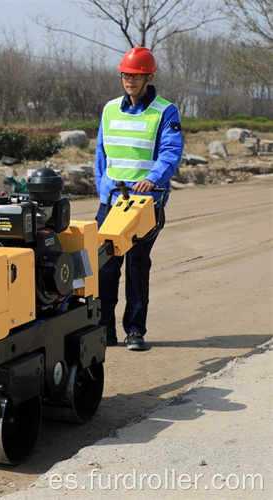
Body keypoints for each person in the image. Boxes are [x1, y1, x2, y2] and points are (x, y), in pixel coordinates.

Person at [95, 46, 184, 351]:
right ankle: (104, 331)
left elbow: (171, 153)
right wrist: (103, 190)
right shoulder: (109, 109)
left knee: (136, 267)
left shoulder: (164, 110)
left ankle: (135, 330)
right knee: (104, 269)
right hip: (111, 202)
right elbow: (101, 155)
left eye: (135, 75)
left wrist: (152, 179)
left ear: (148, 76)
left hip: (144, 203)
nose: (129, 80)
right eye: (125, 75)